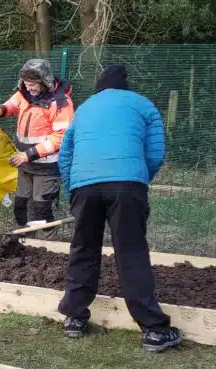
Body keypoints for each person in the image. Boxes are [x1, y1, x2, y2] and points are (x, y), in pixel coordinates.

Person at [56, 64, 182, 352]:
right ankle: (154, 330)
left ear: (99, 87)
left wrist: (72, 189)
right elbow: (155, 153)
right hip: (127, 185)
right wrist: (138, 181)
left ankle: (74, 316)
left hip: (84, 186)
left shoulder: (85, 108)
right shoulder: (143, 105)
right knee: (131, 252)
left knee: (83, 249)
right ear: (125, 87)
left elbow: (66, 155)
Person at [0, 59, 74, 238]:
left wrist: (28, 154)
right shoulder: (24, 94)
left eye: (32, 85)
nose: (29, 88)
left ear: (44, 82)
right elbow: (12, 105)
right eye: (26, 84)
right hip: (25, 165)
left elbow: (60, 137)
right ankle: (25, 244)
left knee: (41, 211)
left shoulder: (60, 103)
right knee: (21, 206)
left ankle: (46, 249)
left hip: (46, 168)